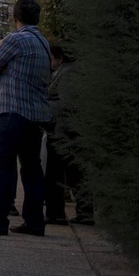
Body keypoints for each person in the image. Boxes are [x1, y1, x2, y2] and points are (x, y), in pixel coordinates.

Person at [0, 0, 52, 237]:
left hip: (13, 110)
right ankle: (35, 221)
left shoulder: (15, 39)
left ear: (14, 17)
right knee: (31, 168)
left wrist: (3, 64)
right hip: (36, 115)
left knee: (2, 164)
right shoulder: (43, 42)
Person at [45, 43, 94, 226]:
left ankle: (85, 213)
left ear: (60, 57)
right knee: (74, 173)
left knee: (74, 173)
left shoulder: (68, 73)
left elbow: (68, 106)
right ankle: (84, 212)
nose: (49, 63)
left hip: (66, 133)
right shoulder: (64, 71)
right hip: (64, 131)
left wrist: (47, 108)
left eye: (51, 59)